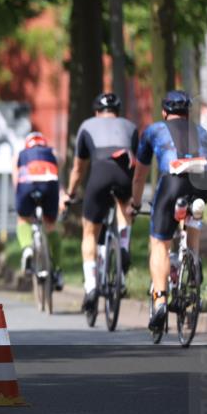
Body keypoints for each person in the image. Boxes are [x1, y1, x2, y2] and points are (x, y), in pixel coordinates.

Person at [130, 90, 207, 332]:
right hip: (206, 181)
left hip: (174, 180)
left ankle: (159, 300)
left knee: (160, 243)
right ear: (188, 112)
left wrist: (135, 204)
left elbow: (139, 176)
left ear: (164, 112)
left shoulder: (153, 130)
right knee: (193, 213)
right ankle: (194, 260)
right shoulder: (203, 132)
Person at [60, 93, 139, 312]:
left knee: (89, 232)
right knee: (125, 207)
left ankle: (91, 286)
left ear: (97, 112)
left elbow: (78, 168)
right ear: (118, 112)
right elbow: (137, 162)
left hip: (100, 172)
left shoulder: (87, 126)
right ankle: (123, 247)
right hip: (124, 171)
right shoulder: (131, 126)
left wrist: (70, 192)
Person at [14, 131, 63, 290]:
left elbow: (17, 183)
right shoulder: (52, 152)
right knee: (51, 224)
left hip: (27, 185)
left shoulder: (20, 155)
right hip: (49, 184)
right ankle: (57, 270)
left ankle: (28, 247)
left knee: (22, 218)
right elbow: (58, 172)